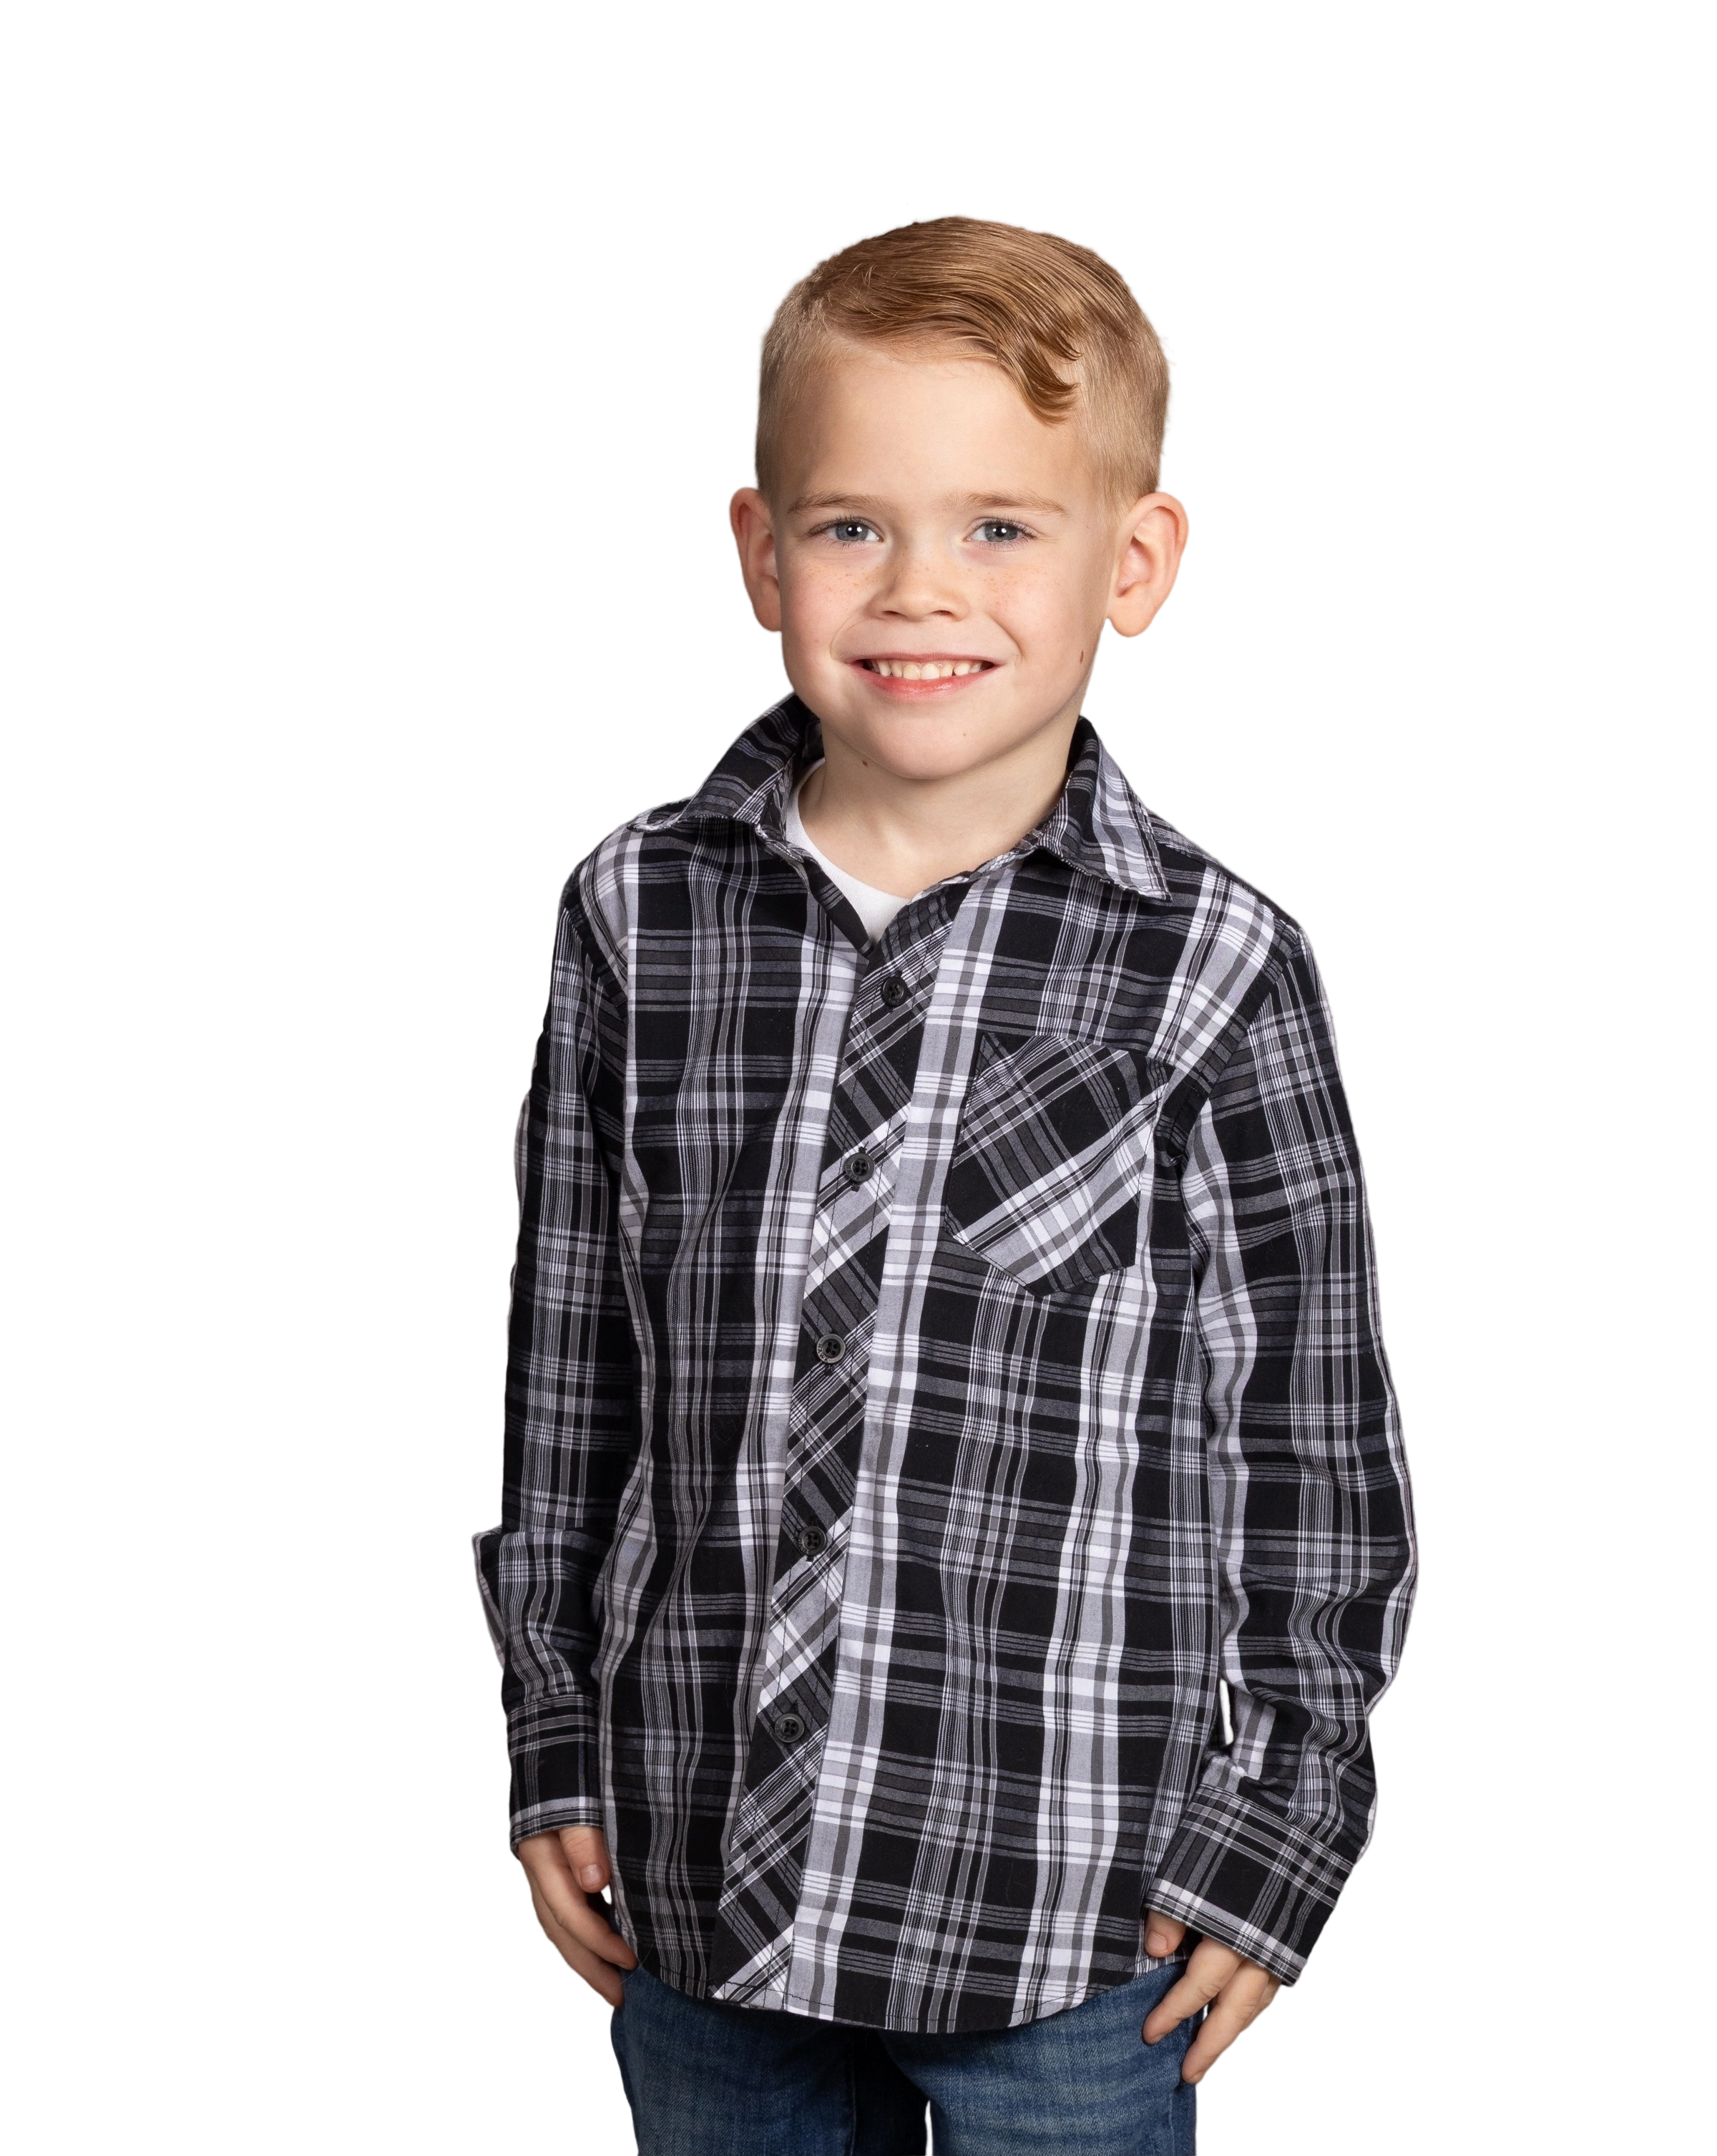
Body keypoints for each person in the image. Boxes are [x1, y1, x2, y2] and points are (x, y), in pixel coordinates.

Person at [469, 213, 1421, 2155]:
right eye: (854, 526)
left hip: (1064, 1919)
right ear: (760, 551)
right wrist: (553, 1726)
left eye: (999, 525)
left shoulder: (1219, 966)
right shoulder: (638, 911)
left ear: (1132, 564)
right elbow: (572, 1375)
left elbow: (1309, 1447)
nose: (921, 589)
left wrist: (1284, 1824)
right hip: (696, 1884)